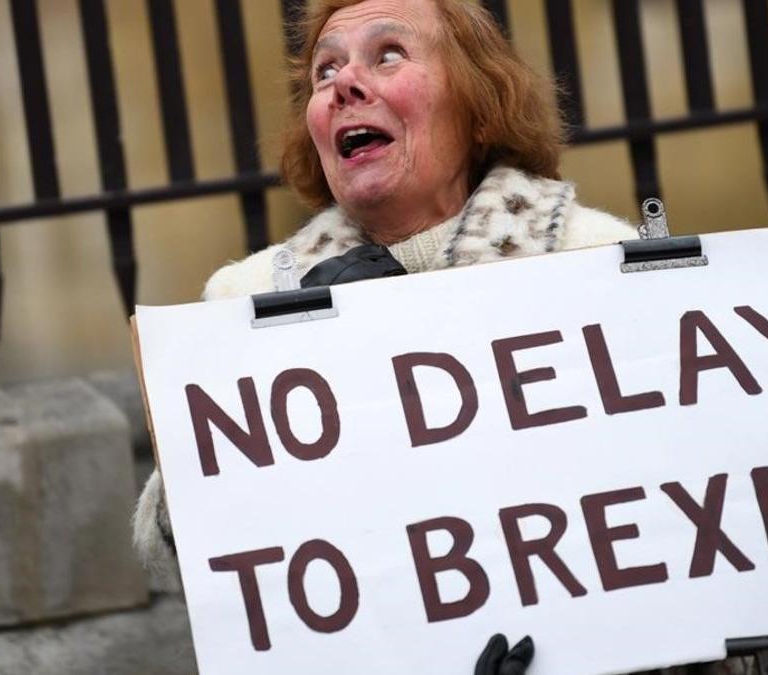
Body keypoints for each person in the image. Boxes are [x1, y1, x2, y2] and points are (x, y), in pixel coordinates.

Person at [133, 0, 637, 669]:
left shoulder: (594, 259)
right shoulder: (247, 300)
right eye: (325, 70)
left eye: (388, 54)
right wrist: (287, 353)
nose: (343, 84)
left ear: (478, 103)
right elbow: (172, 558)